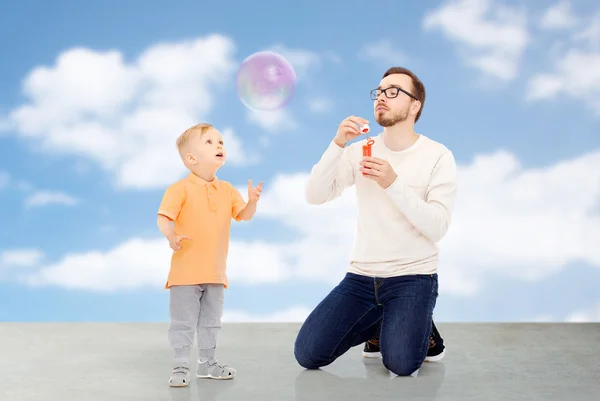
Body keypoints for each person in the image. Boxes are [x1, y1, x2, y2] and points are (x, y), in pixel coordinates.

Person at [294, 67, 457, 376]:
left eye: (393, 91)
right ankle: (383, 320)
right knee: (307, 353)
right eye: (380, 91)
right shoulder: (359, 151)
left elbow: (438, 227)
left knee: (400, 364)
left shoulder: (438, 156)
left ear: (414, 106)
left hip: (414, 275)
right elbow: (315, 195)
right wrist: (338, 144)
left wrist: (393, 183)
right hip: (361, 277)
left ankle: (424, 333)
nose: (382, 96)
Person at [157, 123, 263, 387]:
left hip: (215, 274)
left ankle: (207, 363)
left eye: (221, 142)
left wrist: (252, 201)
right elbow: (163, 218)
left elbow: (244, 216)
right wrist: (171, 236)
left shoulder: (227, 190)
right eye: (210, 142)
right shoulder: (179, 189)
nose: (219, 145)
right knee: (182, 323)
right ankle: (181, 365)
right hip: (184, 275)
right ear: (191, 158)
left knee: (211, 323)